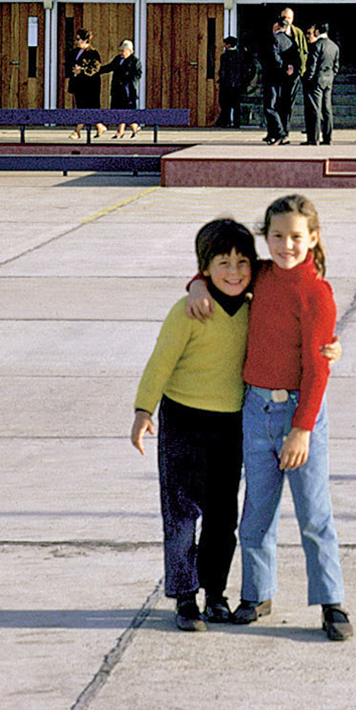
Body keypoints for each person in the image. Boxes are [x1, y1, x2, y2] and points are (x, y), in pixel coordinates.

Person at [186, 194, 352, 641]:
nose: (286, 245)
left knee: (314, 514)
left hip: (300, 415)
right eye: (277, 236)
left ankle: (332, 602)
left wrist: (301, 430)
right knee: (256, 513)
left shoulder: (316, 294)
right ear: (266, 237)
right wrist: (196, 285)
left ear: (312, 238)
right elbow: (222, 274)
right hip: (255, 412)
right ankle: (257, 594)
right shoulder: (260, 275)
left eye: (296, 236)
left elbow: (317, 368)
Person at [131, 218, 258, 632]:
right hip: (183, 420)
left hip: (231, 423)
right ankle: (185, 597)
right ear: (205, 268)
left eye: (242, 262)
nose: (234, 272)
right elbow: (160, 362)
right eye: (223, 263)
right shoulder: (188, 311)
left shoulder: (254, 308)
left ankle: (215, 594)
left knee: (223, 517)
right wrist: (143, 410)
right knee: (181, 514)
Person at [259, 13, 299, 145]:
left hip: (272, 76)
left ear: (277, 26)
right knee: (281, 106)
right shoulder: (290, 41)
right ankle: (279, 133)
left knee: (270, 106)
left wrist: (282, 66)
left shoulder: (274, 39)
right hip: (284, 78)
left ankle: (280, 133)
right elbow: (295, 57)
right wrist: (289, 68)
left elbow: (274, 57)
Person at [302, 23, 339, 146]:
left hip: (317, 79)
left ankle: (314, 137)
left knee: (315, 109)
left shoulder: (317, 45)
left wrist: (308, 78)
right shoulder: (334, 46)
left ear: (317, 31)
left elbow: (312, 65)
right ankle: (327, 137)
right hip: (328, 78)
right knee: (327, 108)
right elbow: (336, 66)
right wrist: (331, 75)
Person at [98, 39, 143, 138]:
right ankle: (126, 129)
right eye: (120, 51)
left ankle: (128, 128)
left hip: (127, 91)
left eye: (123, 51)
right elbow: (109, 67)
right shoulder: (118, 59)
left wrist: (128, 79)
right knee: (118, 111)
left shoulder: (134, 61)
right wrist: (97, 70)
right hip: (117, 89)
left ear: (129, 51)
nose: (121, 53)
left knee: (127, 111)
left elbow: (137, 75)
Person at [65, 27, 102, 140]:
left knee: (86, 108)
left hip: (89, 86)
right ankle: (99, 126)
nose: (76, 42)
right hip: (78, 85)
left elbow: (95, 68)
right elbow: (68, 64)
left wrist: (82, 70)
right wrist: (72, 70)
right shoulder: (74, 52)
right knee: (83, 107)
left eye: (78, 39)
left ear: (85, 40)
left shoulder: (93, 53)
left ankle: (77, 131)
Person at [214, 36, 247, 129]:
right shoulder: (240, 56)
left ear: (228, 45)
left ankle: (226, 121)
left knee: (225, 104)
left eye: (225, 44)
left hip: (226, 84)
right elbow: (243, 70)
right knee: (236, 104)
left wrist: (221, 79)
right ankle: (237, 122)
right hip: (237, 84)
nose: (224, 45)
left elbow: (223, 70)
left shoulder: (224, 56)